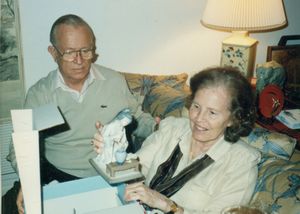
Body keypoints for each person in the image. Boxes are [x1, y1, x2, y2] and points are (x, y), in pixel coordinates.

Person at [3, 14, 157, 214]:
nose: (79, 60)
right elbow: (19, 146)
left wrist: (160, 127)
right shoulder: (40, 94)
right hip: (59, 176)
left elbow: (138, 117)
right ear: (53, 53)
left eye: (85, 51)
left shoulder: (114, 81)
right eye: (69, 52)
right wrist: (29, 182)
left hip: (111, 176)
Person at [93, 66, 261, 213]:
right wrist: (114, 153)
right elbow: (136, 169)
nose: (198, 119)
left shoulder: (242, 163)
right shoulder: (172, 129)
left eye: (212, 112)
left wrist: (168, 206)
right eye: (196, 107)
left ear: (234, 118)